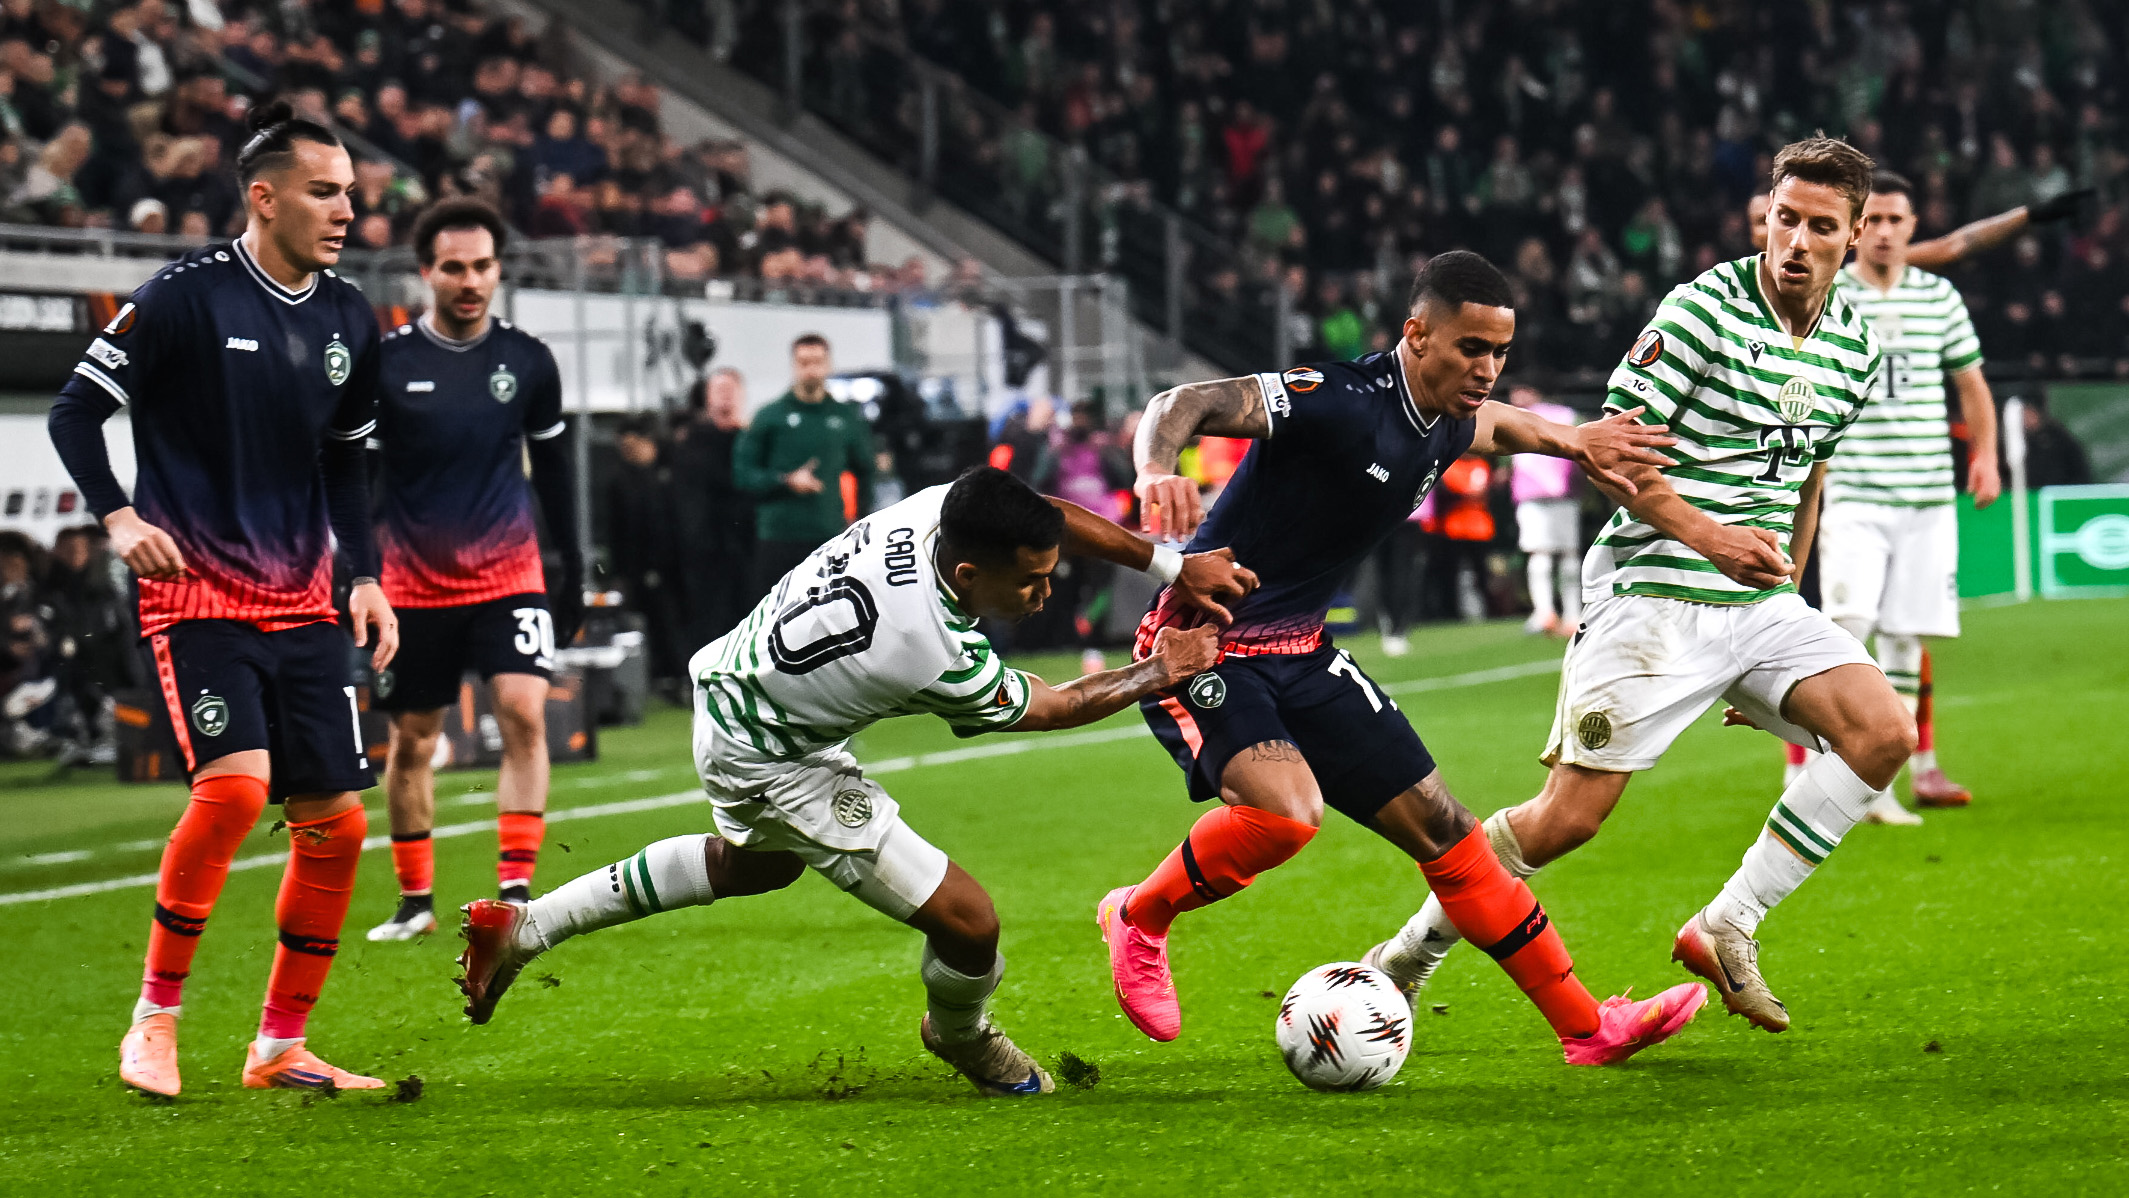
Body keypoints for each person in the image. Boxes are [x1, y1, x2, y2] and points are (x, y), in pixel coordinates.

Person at [455, 467, 1254, 1095]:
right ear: (968, 571)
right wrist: (1157, 669)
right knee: (970, 924)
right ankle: (962, 1036)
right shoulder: (929, 647)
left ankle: (525, 926)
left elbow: (1041, 510)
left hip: (740, 689)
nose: (1044, 592)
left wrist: (1171, 563)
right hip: (772, 756)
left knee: (757, 866)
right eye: (1027, 582)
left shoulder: (935, 511)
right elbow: (1051, 706)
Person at [1104, 251, 1706, 1067]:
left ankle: (1587, 1028)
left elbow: (1499, 428)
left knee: (1450, 833)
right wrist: (1154, 469)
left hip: (1301, 650)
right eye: (1470, 348)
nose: (1486, 369)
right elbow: (1183, 401)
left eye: (1499, 352)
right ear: (1416, 334)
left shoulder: (1449, 416)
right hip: (1200, 646)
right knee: (1285, 814)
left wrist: (1571, 440)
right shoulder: (1337, 401)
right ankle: (1138, 916)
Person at [1375, 139, 1910, 1036]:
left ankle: (1726, 924)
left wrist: (1788, 603)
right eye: (1784, 219)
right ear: (1764, 216)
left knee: (1881, 732)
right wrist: (1710, 538)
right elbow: (1610, 453)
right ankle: (1403, 957)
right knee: (1565, 820)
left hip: (1759, 606)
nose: (1796, 241)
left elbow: (1808, 474)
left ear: (1851, 236)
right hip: (1652, 593)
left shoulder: (1852, 345)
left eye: (1821, 227)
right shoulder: (1700, 310)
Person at [44, 100, 399, 1095]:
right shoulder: (182, 297)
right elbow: (75, 412)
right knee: (237, 791)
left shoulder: (348, 317)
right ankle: (152, 1023)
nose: (346, 211)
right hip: (195, 593)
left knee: (336, 825)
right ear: (264, 196)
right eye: (324, 192)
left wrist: (366, 575)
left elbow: (346, 464)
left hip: (304, 601)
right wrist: (118, 517)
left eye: (350, 193)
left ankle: (279, 1045)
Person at [362, 198, 582, 941]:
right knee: (414, 738)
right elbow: (358, 480)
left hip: (509, 575)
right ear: (425, 273)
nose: (470, 281)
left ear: (498, 270)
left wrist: (572, 566)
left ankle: (515, 889)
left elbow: (555, 470)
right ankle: (415, 902)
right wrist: (357, 573)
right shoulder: (387, 362)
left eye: (483, 266)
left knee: (523, 712)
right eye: (454, 267)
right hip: (412, 584)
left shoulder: (528, 360)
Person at [1807, 171, 2000, 821]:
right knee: (1847, 628)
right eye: (1875, 220)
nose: (1885, 232)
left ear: (1913, 227)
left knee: (1903, 640)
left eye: (1897, 220)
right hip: (1855, 492)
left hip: (1926, 497)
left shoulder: (1938, 297)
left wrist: (1985, 457)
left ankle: (1875, 786)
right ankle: (1822, 767)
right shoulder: (1831, 295)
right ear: (1856, 229)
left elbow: (1970, 383)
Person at [733, 334, 875, 602]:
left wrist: (860, 521)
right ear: (793, 365)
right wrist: (785, 480)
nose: (811, 370)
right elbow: (743, 475)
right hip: (778, 537)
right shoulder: (770, 416)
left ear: (828, 365)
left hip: (829, 537)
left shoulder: (844, 417)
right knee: (775, 614)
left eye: (817, 362)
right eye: (804, 362)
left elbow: (866, 469)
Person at [668, 366, 756, 648]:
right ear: (707, 398)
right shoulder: (691, 444)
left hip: (747, 547)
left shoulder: (752, 442)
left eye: (731, 390)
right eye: (719, 390)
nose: (726, 397)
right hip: (703, 552)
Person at [1506, 384, 1582, 637]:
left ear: (1532, 391)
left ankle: (1545, 612)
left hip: (1532, 493)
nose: (1514, 396)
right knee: (1568, 554)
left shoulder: (1516, 417)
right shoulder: (1568, 415)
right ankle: (1572, 615)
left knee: (1540, 553)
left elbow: (1506, 459)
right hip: (1564, 492)